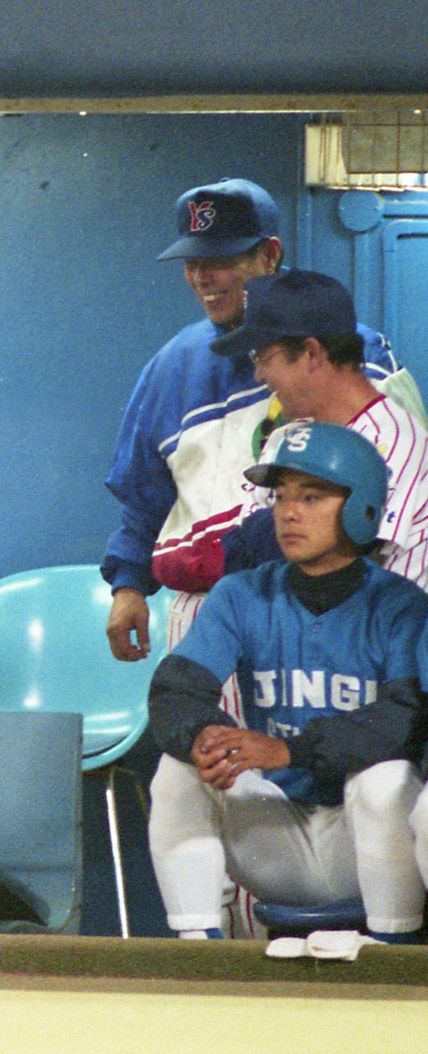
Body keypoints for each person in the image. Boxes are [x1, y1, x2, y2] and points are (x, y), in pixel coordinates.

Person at [102, 178, 415, 672]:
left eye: (220, 260)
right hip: (205, 612)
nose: (202, 277)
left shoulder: (348, 351)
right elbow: (145, 501)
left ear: (270, 254)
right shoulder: (171, 368)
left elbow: (386, 502)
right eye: (191, 262)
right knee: (192, 719)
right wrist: (129, 585)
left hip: (326, 611)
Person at [147, 422, 427, 942]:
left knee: (385, 778)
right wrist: (204, 735)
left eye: (312, 497)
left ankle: (394, 950)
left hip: (365, 843)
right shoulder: (241, 594)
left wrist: (287, 750)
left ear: (361, 507)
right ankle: (198, 951)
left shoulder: (401, 605)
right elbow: (176, 688)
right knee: (178, 767)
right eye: (280, 496)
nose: (289, 512)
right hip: (276, 836)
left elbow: (405, 720)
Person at [206, 269, 428, 588]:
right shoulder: (285, 438)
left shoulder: (396, 441)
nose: (258, 375)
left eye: (263, 357)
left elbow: (347, 577)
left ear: (311, 353)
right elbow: (241, 556)